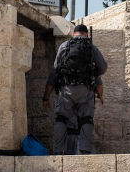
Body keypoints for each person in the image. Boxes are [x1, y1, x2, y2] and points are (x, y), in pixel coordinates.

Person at [42, 24, 107, 155]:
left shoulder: (64, 46)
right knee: (86, 119)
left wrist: (46, 97)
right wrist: (93, 74)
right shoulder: (91, 47)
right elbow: (103, 68)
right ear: (86, 34)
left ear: (74, 34)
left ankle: (58, 150)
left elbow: (54, 72)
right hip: (85, 89)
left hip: (65, 90)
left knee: (61, 118)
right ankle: (84, 150)